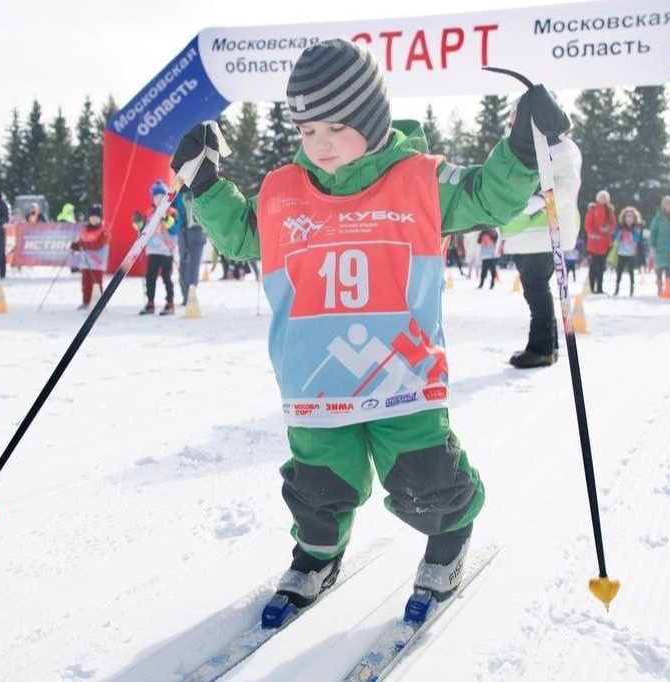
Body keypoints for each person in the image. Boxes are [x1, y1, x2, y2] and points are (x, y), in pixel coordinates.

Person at [169, 38, 568, 614]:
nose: (321, 143)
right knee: (317, 485)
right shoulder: (284, 193)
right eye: (307, 131)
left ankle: (449, 536)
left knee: (423, 480)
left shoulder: (420, 181)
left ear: (372, 119)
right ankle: (317, 552)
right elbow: (240, 235)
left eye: (335, 126)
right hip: (314, 380)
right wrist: (202, 183)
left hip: (401, 375)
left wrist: (524, 148)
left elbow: (491, 195)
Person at [500, 127, 582, 368]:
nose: (513, 121)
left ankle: (541, 347)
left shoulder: (559, 147)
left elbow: (567, 185)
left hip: (542, 232)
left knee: (536, 290)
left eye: (518, 116)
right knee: (535, 289)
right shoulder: (514, 145)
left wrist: (539, 201)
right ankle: (548, 345)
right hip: (523, 233)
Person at [133, 180, 179, 315]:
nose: (158, 200)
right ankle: (150, 302)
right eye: (156, 197)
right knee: (150, 276)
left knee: (166, 276)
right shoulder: (149, 212)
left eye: (161, 197)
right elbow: (143, 229)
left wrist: (167, 220)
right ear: (152, 198)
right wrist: (138, 223)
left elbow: (175, 229)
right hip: (152, 249)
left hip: (166, 249)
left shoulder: (171, 212)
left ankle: (170, 303)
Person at [70, 203, 109, 310]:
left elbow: (98, 245)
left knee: (96, 283)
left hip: (97, 263)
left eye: (97, 217)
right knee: (85, 283)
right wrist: (75, 245)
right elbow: (80, 242)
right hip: (86, 262)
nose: (94, 219)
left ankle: (99, 303)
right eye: (92, 217)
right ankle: (86, 301)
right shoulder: (85, 229)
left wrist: (83, 245)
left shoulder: (103, 231)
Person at [175, 187, 207, 306]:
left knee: (187, 263)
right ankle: (189, 295)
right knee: (190, 264)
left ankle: (188, 295)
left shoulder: (178, 193)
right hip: (193, 232)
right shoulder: (199, 187)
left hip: (188, 232)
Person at [584, 190, 616, 294]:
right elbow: (588, 224)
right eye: (601, 197)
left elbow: (613, 224)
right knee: (594, 266)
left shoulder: (609, 210)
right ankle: (592, 287)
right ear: (598, 198)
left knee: (601, 267)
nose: (603, 199)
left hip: (605, 243)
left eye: (605, 197)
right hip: (594, 242)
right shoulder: (593, 209)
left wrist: (607, 228)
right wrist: (593, 234)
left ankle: (600, 288)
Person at [648, 195, 670, 296]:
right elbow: (653, 233)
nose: (667, 206)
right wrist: (652, 246)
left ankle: (668, 289)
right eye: (666, 203)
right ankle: (660, 288)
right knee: (659, 268)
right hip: (659, 246)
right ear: (662, 205)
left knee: (669, 268)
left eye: (669, 204)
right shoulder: (657, 218)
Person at [612, 207, 643, 297]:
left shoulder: (636, 229)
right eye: (627, 216)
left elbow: (637, 240)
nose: (629, 219)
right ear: (624, 218)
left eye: (631, 217)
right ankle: (617, 288)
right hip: (621, 252)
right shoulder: (620, 228)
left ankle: (632, 289)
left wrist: (631, 237)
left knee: (631, 271)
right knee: (619, 270)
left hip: (631, 253)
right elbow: (615, 237)